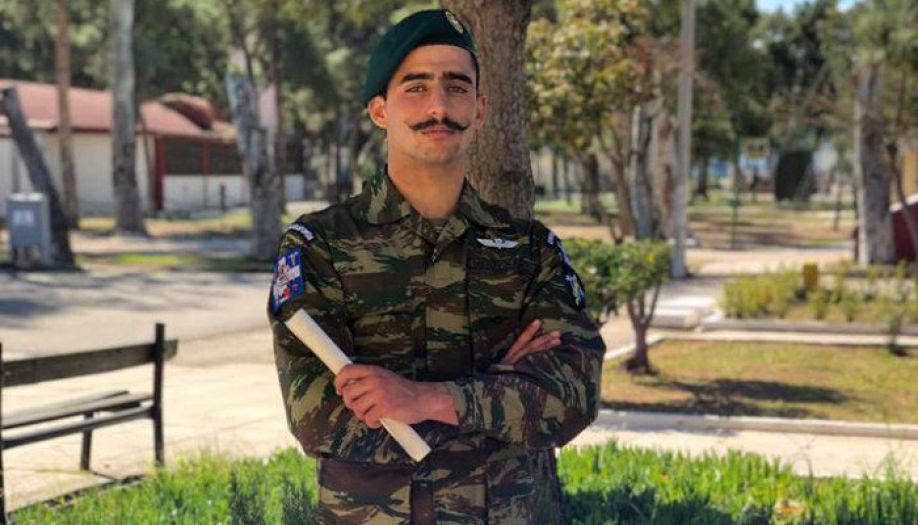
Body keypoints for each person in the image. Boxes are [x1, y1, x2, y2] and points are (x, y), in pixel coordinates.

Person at [268, 9, 605, 524]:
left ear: (480, 108)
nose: (439, 107)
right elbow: (317, 418)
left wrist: (420, 399)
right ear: (379, 110)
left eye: (457, 87)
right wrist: (501, 390)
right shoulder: (321, 246)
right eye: (416, 87)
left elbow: (571, 397)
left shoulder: (529, 249)